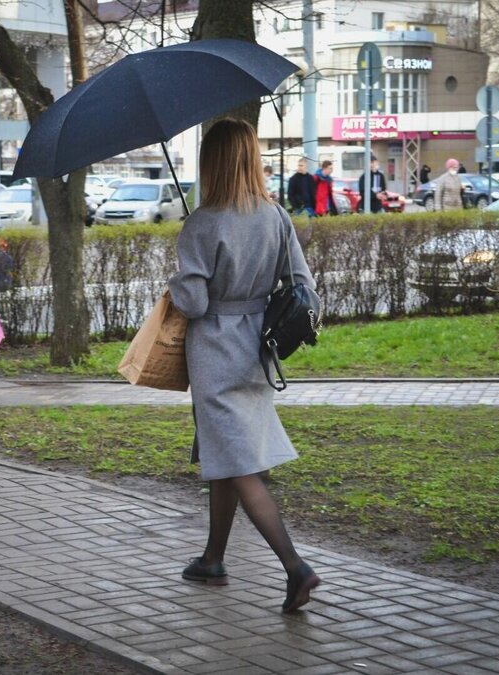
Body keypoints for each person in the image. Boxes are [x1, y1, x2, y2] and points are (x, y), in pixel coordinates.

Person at [168, 118, 320, 613]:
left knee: (239, 463)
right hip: (258, 348)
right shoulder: (275, 217)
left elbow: (190, 303)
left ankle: (295, 567)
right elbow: (304, 285)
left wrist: (178, 277)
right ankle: (213, 558)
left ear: (211, 162)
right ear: (251, 158)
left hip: (214, 350)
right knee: (226, 454)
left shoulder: (202, 222)